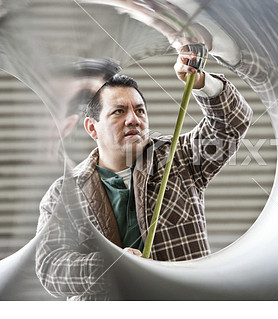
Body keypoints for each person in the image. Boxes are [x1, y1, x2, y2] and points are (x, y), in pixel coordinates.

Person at [35, 49, 253, 300]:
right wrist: (111, 266)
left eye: (140, 111)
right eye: (119, 111)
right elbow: (50, 266)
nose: (133, 120)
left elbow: (232, 122)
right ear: (92, 128)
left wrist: (201, 80)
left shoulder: (179, 158)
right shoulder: (64, 193)